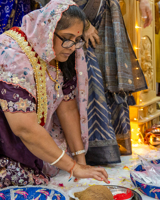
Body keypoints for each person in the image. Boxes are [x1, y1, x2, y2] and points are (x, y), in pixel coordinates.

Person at [0, 0, 109, 188]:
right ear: (47, 30)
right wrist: (73, 167)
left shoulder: (59, 53)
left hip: (28, 142)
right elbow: (23, 128)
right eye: (67, 38)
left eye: (77, 40)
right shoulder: (12, 53)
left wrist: (80, 163)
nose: (72, 46)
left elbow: (67, 109)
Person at [70, 0, 152, 165]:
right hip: (76, 12)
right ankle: (80, 148)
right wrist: (83, 23)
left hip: (104, 11)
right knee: (84, 75)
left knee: (103, 73)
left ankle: (104, 144)